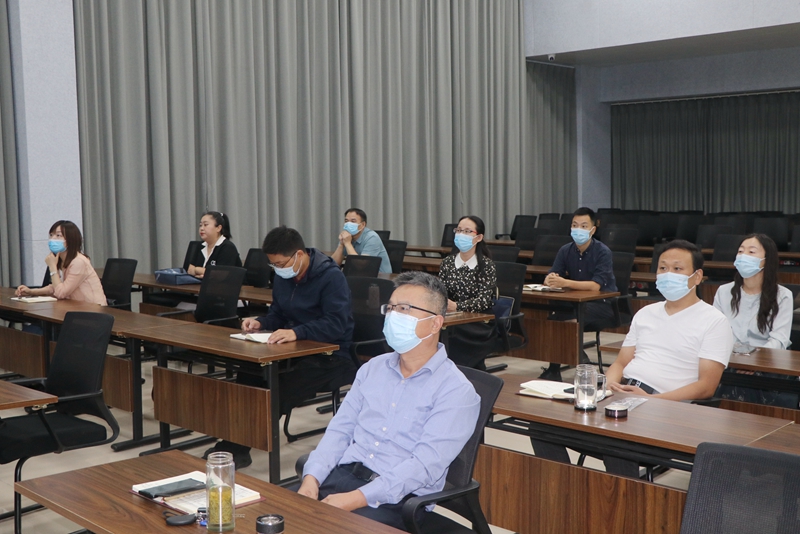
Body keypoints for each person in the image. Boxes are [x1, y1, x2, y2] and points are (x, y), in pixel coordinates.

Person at [297, 271, 480, 530]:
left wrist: (355, 499)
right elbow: (340, 430)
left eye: (404, 309)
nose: (393, 316)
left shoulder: (456, 391)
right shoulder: (373, 368)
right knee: (273, 516)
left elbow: (423, 466)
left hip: (396, 500)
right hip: (340, 477)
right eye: (391, 308)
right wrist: (312, 478)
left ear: (435, 323)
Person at [205, 225, 355, 468]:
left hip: (331, 356)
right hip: (293, 350)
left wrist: (297, 332)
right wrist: (260, 322)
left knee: (277, 387)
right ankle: (235, 442)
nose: (277, 269)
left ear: (299, 255)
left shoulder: (331, 277)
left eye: (281, 264)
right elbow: (278, 314)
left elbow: (336, 324)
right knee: (248, 375)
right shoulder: (284, 277)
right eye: (273, 265)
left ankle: (236, 448)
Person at [607, 240, 734, 401]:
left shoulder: (715, 321)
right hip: (625, 391)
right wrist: (608, 387)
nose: (668, 274)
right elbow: (620, 363)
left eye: (677, 268)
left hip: (665, 402)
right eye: (663, 268)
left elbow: (706, 386)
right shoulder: (645, 312)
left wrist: (652, 400)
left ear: (697, 277)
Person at [713, 234, 796, 407]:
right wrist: (738, 360)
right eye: (740, 251)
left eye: (751, 252)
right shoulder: (723, 292)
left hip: (767, 364)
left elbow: (779, 340)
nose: (743, 256)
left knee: (743, 386)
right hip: (730, 360)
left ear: (767, 260)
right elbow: (716, 333)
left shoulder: (783, 296)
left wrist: (753, 362)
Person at [539, 207, 617, 381]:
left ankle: (579, 366)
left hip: (603, 305)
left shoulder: (603, 252)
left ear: (592, 230)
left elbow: (595, 287)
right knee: (556, 318)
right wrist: (550, 279)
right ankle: (564, 366)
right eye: (575, 225)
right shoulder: (565, 250)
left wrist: (565, 283)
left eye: (583, 226)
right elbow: (554, 273)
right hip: (577, 303)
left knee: (565, 319)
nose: (578, 229)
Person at [437, 215, 498, 369]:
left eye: (467, 231)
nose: (461, 234)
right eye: (458, 230)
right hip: (451, 317)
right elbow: (441, 292)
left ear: (478, 237)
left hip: (478, 321)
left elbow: (484, 300)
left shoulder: (486, 265)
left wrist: (457, 306)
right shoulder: (447, 263)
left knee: (452, 333)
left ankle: (465, 371)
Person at [16, 220, 106, 306]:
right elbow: (56, 286)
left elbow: (60, 293)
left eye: (58, 235)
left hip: (93, 309)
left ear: (70, 240)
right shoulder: (62, 260)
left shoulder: (78, 262)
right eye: (51, 235)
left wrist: (52, 267)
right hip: (75, 306)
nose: (52, 239)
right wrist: (31, 292)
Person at [331, 208, 391, 274]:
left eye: (353, 221)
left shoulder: (372, 237)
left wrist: (348, 244)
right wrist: (341, 244)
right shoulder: (347, 237)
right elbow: (333, 264)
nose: (348, 224)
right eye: (346, 221)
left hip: (379, 276)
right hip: (358, 274)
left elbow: (360, 266)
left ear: (362, 225)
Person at [187, 211, 242, 277]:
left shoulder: (227, 247)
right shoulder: (201, 246)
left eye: (205, 225)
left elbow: (219, 275)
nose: (201, 228)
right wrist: (205, 273)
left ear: (218, 228)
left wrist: (196, 269)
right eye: (200, 225)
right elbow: (190, 270)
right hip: (201, 283)